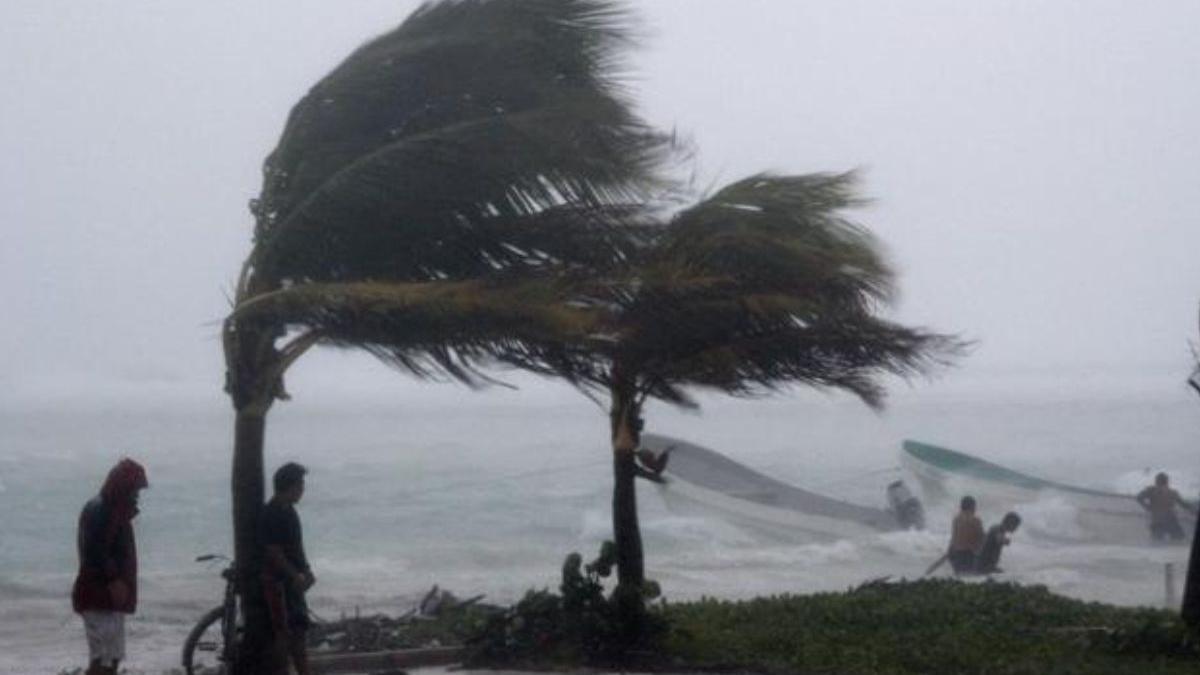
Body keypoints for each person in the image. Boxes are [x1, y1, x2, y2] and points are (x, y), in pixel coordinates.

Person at [72, 458, 149, 675]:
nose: (137, 495)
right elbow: (96, 552)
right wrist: (114, 580)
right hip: (100, 596)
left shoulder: (107, 509)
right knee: (103, 660)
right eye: (135, 490)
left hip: (104, 597)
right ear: (124, 488)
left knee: (111, 658)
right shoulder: (104, 512)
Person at [260, 462, 315, 675]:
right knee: (283, 634)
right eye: (300, 485)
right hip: (278, 583)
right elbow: (273, 552)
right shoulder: (272, 513)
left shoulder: (290, 512)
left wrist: (307, 570)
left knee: (299, 632)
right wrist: (294, 576)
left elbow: (296, 547)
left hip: (293, 582)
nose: (303, 490)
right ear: (289, 486)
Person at [1136, 472, 1197, 542]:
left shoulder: (1151, 490)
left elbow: (1139, 497)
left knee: (1157, 543)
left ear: (1156, 481)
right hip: (1170, 521)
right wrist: (1193, 510)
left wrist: (1147, 507)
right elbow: (1184, 504)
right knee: (1178, 540)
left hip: (1157, 522)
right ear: (1167, 482)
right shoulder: (1172, 492)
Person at [947, 496, 984, 575]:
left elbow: (954, 538)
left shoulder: (956, 519)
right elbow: (981, 538)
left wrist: (950, 552)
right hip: (969, 555)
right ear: (972, 507)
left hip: (957, 554)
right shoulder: (976, 520)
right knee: (968, 577)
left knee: (959, 575)